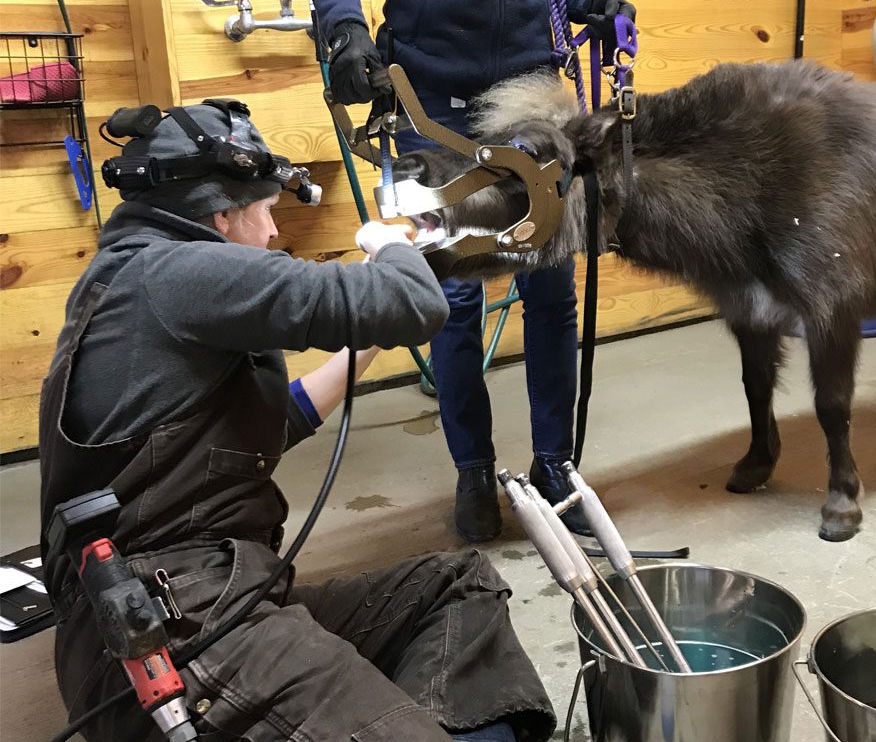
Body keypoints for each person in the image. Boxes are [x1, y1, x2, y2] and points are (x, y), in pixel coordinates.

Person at [38, 99, 556, 742]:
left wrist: (368, 333)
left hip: (206, 596)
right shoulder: (181, 272)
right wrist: (392, 242)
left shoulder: (140, 273)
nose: (274, 231)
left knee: (456, 585)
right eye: (266, 210)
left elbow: (262, 426)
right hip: (171, 636)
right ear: (221, 213)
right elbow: (412, 300)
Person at [307, 0, 636, 543]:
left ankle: (557, 464)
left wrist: (595, 0)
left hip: (530, 96)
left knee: (547, 287)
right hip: (432, 102)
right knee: (449, 297)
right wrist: (344, 27)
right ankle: (472, 470)